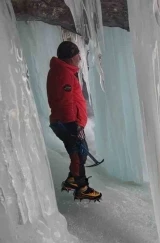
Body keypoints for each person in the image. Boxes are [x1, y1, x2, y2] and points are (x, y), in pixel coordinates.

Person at [47, 41, 101, 201]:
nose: (79, 58)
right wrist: (74, 125)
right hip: (67, 122)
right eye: (77, 54)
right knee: (78, 152)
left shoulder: (63, 71)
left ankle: (72, 181)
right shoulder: (63, 73)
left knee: (78, 152)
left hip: (65, 121)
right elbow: (66, 102)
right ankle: (82, 188)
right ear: (70, 56)